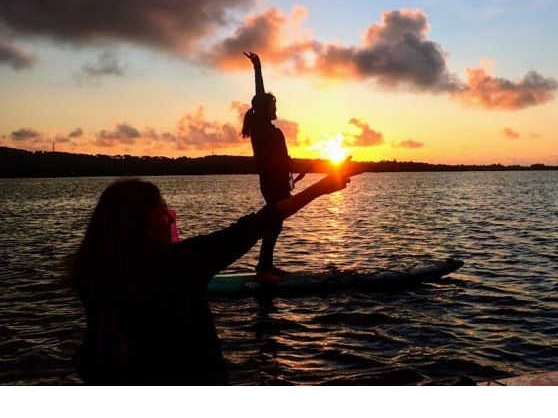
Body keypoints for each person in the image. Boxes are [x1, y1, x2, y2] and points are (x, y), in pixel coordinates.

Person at [67, 166, 357, 385]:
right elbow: (256, 224)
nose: (170, 218)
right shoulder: (181, 265)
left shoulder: (91, 275)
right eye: (161, 211)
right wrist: (319, 189)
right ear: (135, 224)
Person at [241, 51, 307, 283]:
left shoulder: (268, 128)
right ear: (264, 109)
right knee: (274, 222)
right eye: (273, 105)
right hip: (271, 182)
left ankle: (266, 266)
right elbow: (259, 94)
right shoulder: (261, 127)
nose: (275, 108)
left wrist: (292, 172)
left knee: (275, 224)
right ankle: (263, 269)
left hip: (278, 180)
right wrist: (257, 69)